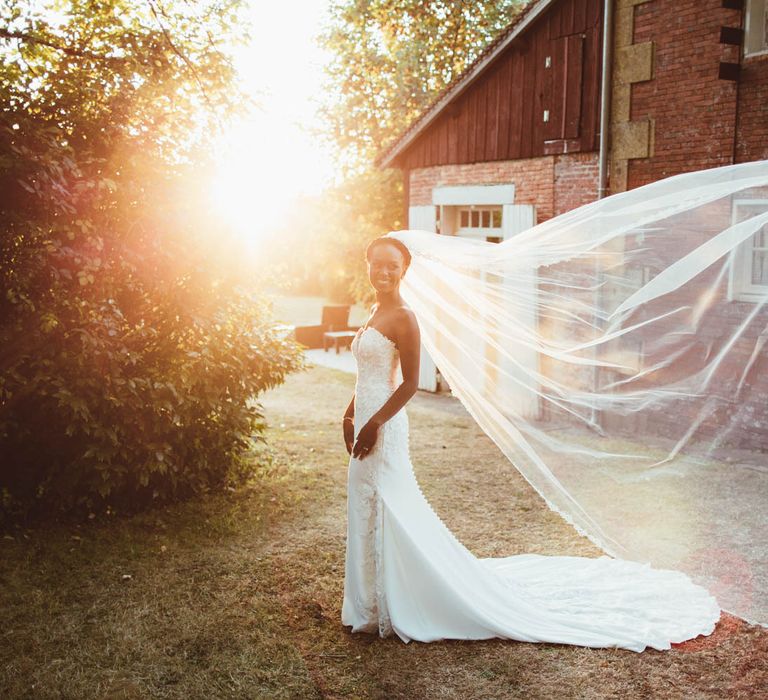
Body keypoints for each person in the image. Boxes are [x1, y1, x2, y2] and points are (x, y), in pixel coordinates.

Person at [340, 234, 721, 651]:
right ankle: (370, 601)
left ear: (404, 268)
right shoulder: (375, 311)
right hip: (365, 419)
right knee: (367, 502)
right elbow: (369, 374)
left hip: (385, 424)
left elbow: (410, 382)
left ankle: (400, 599)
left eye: (392, 264)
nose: (384, 271)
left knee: (393, 504)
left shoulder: (405, 317)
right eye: (377, 263)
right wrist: (349, 411)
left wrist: (375, 422)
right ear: (368, 265)